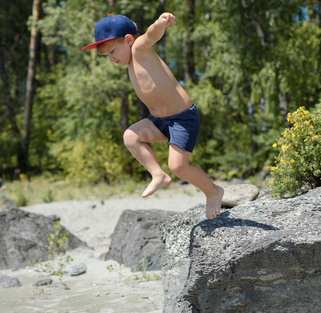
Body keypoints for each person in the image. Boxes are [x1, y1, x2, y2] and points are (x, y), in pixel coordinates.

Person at [82, 13, 223, 219]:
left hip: (182, 118)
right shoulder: (130, 61)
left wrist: (161, 23)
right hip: (161, 121)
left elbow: (150, 35)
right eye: (107, 56)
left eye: (113, 51)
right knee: (130, 136)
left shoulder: (139, 49)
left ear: (129, 40)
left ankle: (213, 192)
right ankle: (158, 175)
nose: (111, 58)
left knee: (178, 166)